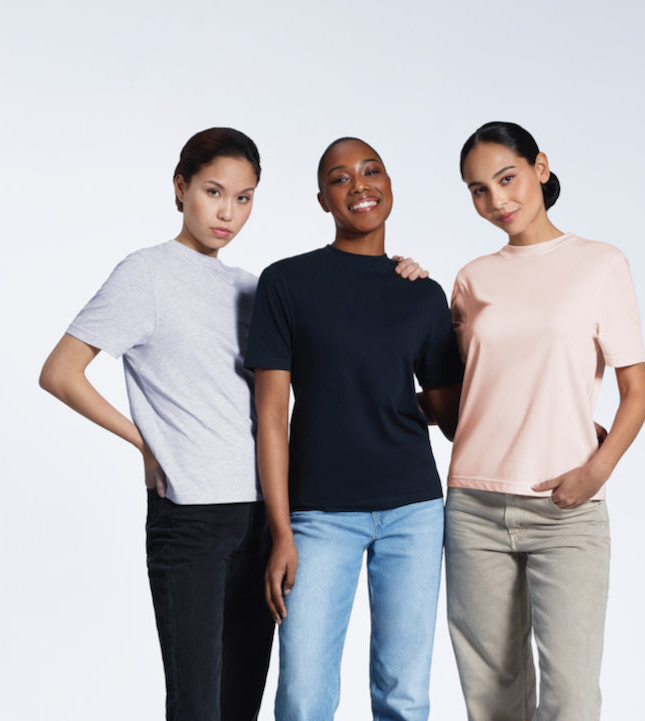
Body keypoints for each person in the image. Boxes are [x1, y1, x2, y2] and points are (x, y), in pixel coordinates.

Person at [37, 128, 429, 721]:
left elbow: (334, 372)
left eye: (244, 198)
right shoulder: (145, 273)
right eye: (214, 192)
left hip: (262, 515)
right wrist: (146, 445)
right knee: (198, 705)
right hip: (191, 517)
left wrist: (392, 281)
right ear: (180, 188)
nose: (227, 212)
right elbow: (61, 373)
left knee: (242, 702)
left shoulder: (253, 286)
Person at [245, 137, 463, 721]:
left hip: (414, 511)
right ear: (322, 199)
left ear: (390, 184)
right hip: (317, 515)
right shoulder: (286, 282)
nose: (359, 185)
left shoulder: (420, 292)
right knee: (303, 696)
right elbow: (270, 415)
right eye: (340, 178)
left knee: (404, 695)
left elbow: (450, 415)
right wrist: (281, 531)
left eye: (371, 171)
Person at [445, 121, 645, 721]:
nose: (497, 201)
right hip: (474, 507)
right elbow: (465, 398)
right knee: (491, 699)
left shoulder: (599, 264)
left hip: (565, 509)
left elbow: (635, 393)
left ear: (540, 167)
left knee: (571, 698)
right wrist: (401, 282)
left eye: (506, 179)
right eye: (478, 190)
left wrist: (595, 471)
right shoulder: (472, 279)